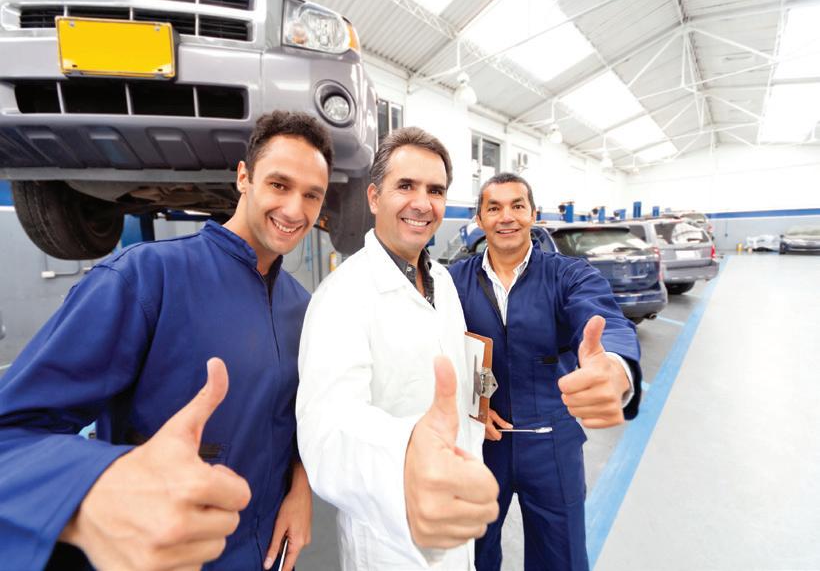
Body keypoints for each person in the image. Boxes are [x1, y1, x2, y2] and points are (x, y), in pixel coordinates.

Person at [0, 110, 332, 571]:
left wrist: (301, 488)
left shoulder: (304, 307)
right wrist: (95, 489)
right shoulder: (143, 279)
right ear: (244, 177)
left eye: (312, 194)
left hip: (268, 555)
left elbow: (297, 418)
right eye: (279, 184)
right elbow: (11, 433)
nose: (295, 210)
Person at [296, 127, 499, 570]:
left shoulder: (442, 281)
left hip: (456, 516)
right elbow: (326, 430)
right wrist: (406, 458)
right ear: (374, 198)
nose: (422, 203)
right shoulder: (341, 296)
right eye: (405, 186)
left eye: (435, 190)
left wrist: (479, 402)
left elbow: (444, 373)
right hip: (390, 538)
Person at [448, 172, 642, 571]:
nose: (507, 217)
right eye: (494, 208)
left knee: (561, 555)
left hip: (552, 439)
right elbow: (435, 351)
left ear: (533, 214)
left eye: (517, 206)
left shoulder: (569, 275)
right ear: (480, 219)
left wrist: (614, 366)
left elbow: (606, 319)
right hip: (482, 442)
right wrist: (468, 406)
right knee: (471, 554)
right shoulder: (453, 282)